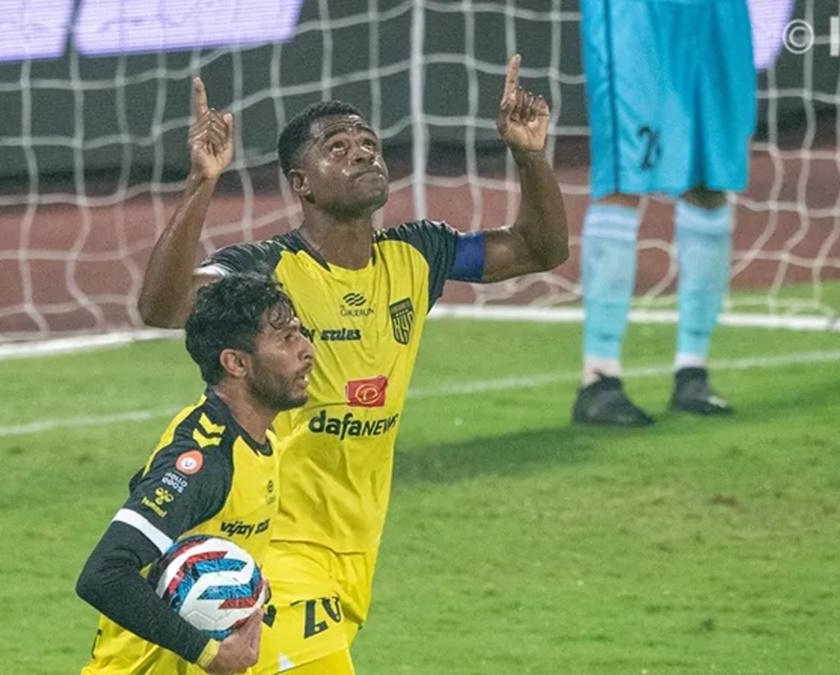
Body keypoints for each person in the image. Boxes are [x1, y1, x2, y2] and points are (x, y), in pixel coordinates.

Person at [137, 54, 568, 673]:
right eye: (337, 148)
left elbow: (540, 249)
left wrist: (528, 153)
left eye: (368, 142)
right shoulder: (265, 270)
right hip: (271, 541)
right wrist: (203, 182)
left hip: (354, 547)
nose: (363, 153)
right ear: (301, 182)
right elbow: (163, 306)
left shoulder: (420, 256)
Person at [77, 273, 314, 674]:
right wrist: (208, 653)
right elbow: (103, 574)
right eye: (286, 339)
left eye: (299, 333)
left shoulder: (261, 441)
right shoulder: (204, 459)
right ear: (236, 363)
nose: (307, 349)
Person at [572, 0, 756, 426]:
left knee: (710, 180)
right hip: (637, 12)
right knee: (622, 177)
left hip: (717, 12)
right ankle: (598, 379)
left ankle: (692, 370)